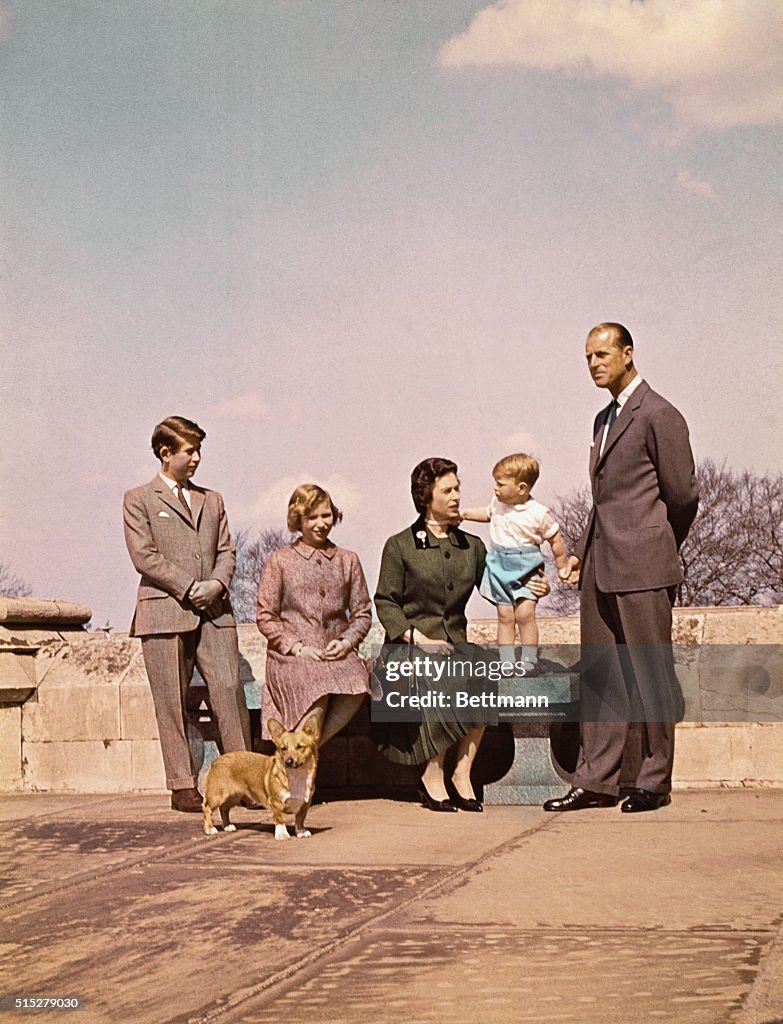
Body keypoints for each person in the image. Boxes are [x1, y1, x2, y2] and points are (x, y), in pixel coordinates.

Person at [545, 323, 699, 814]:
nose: (593, 363)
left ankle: (654, 781)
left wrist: (654, 544)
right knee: (601, 674)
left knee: (651, 674)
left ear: (628, 353)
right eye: (587, 356)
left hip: (644, 565)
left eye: (603, 353)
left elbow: (683, 495)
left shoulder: (660, 414)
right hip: (599, 565)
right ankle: (596, 781)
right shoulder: (601, 419)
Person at [374, 457, 549, 813]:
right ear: (426, 496)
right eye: (447, 490)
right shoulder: (400, 545)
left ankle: (462, 772)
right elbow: (385, 602)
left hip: (456, 645)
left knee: (483, 671)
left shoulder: (472, 546)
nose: (456, 496)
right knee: (445, 673)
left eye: (458, 488)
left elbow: (498, 586)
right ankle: (433, 772)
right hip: (408, 648)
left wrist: (530, 587)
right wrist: (419, 639)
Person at [123, 416, 251, 813]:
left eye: (198, 450)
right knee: (171, 701)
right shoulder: (138, 499)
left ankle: (245, 781)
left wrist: (216, 584)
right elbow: (144, 556)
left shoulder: (212, 499)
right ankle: (182, 785)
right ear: (165, 453)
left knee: (230, 692)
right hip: (163, 613)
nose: (196, 458)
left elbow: (227, 550)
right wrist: (188, 586)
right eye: (189, 451)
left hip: (215, 611)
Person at [256, 484, 373, 746]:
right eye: (312, 518)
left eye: (326, 515)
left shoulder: (348, 560)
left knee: (357, 683)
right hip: (291, 657)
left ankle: (307, 750)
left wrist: (346, 642)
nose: (321, 523)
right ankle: (301, 761)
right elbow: (265, 616)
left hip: (337, 654)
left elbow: (363, 613)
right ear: (298, 520)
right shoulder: (280, 560)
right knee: (316, 687)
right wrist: (297, 647)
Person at [461, 452, 570, 674]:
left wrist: (562, 565)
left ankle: (529, 659)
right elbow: (486, 513)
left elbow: (555, 539)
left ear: (521, 488)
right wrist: (464, 514)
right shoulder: (497, 504)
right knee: (504, 616)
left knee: (525, 615)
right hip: (499, 567)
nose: (495, 488)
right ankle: (507, 661)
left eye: (500, 484)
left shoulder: (538, 513)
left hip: (527, 570)